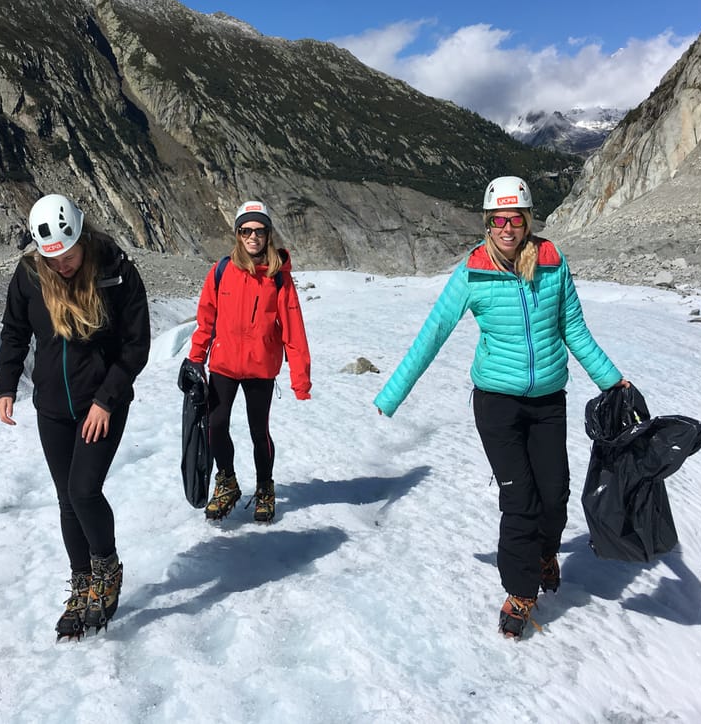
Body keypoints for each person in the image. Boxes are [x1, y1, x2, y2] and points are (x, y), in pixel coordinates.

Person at [373, 176, 628, 640]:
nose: (506, 228)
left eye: (514, 219)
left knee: (555, 494)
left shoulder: (551, 262)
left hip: (548, 400)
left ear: (527, 220)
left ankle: (545, 552)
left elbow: (574, 329)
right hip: (497, 405)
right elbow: (433, 334)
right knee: (520, 500)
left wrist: (612, 380)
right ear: (487, 223)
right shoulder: (472, 271)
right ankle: (520, 591)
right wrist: (392, 394)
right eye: (497, 220)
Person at [0, 194, 150, 641]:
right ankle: (82, 585)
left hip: (101, 403)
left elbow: (135, 346)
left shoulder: (116, 272)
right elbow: (15, 331)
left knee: (84, 491)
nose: (61, 265)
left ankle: (107, 571)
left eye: (68, 256)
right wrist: (7, 384)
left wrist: (106, 400)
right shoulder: (29, 274)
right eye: (52, 258)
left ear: (82, 237)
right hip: (52, 408)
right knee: (66, 498)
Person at [186, 200, 312, 524]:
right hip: (224, 364)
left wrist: (301, 379)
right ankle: (226, 480)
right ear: (238, 234)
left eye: (259, 230)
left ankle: (265, 488)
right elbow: (206, 321)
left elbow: (293, 330)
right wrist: (195, 360)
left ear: (268, 234)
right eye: (246, 230)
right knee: (216, 425)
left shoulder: (278, 278)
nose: (252, 236)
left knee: (259, 431)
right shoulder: (221, 271)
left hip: (260, 367)